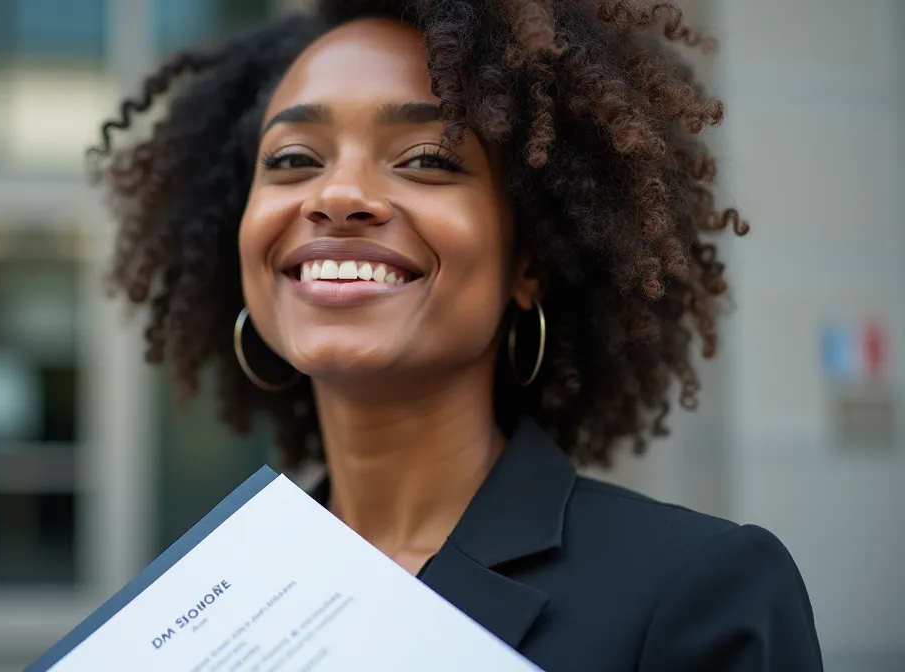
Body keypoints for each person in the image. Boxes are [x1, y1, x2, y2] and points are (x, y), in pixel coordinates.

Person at [91, 0, 822, 669]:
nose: (337, 195)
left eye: (428, 159)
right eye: (292, 160)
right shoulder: (189, 612)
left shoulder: (699, 593)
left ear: (529, 260)